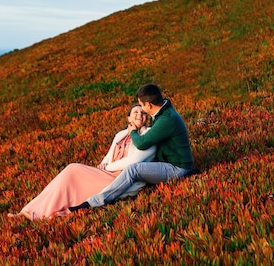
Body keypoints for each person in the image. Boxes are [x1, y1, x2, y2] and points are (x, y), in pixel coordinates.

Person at [7, 104, 156, 220]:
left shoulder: (149, 134)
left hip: (122, 178)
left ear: (146, 118)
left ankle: (43, 213)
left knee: (72, 170)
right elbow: (109, 155)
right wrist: (102, 165)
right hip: (106, 173)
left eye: (143, 113)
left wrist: (108, 167)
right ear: (128, 118)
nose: (140, 114)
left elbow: (135, 161)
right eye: (135, 112)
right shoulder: (120, 134)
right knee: (67, 177)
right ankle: (29, 211)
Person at [69, 83, 193, 211]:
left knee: (133, 169)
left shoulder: (167, 119)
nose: (142, 111)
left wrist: (132, 131)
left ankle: (95, 202)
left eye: (143, 106)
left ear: (149, 105)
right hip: (168, 162)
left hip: (176, 168)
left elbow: (141, 143)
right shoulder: (161, 111)